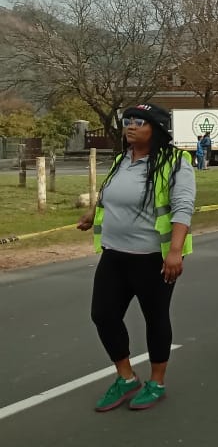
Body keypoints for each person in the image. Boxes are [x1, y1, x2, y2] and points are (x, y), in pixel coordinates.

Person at [78, 103, 195, 411]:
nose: (130, 126)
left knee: (155, 318)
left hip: (151, 258)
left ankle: (156, 382)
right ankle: (126, 377)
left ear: (155, 128)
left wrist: (174, 252)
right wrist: (93, 214)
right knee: (103, 315)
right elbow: (110, 196)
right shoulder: (121, 160)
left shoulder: (175, 161)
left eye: (138, 122)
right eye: (127, 121)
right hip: (114, 254)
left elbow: (183, 207)